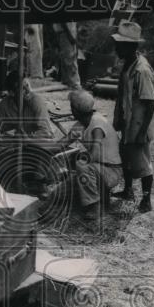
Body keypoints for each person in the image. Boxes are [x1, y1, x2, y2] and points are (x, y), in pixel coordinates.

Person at [51, 89, 123, 221]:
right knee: (54, 196)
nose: (71, 109)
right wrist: (43, 150)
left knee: (81, 164)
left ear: (76, 110)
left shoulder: (97, 124)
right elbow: (62, 144)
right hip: (99, 168)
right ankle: (91, 196)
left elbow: (94, 154)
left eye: (71, 106)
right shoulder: (82, 123)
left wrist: (78, 158)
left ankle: (95, 207)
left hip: (111, 171)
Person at [111, 20, 154, 213]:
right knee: (126, 155)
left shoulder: (142, 70)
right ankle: (128, 190)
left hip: (139, 125)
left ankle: (146, 200)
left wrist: (142, 132)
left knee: (143, 163)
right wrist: (118, 117)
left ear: (130, 46)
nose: (116, 48)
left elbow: (150, 103)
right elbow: (122, 95)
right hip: (128, 121)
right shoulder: (127, 66)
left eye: (120, 44)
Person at [0, 70, 55, 140]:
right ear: (11, 93)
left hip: (37, 143)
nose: (28, 90)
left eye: (27, 85)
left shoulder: (36, 102)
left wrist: (28, 139)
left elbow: (45, 132)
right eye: (22, 88)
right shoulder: (5, 104)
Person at [50, 22, 82, 89]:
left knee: (65, 58)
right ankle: (74, 83)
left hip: (67, 32)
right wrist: (69, 35)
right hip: (66, 33)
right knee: (70, 59)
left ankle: (66, 81)